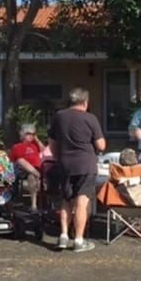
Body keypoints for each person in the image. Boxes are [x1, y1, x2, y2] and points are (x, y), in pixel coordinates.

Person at [48, 87, 106, 252]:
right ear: (85, 102)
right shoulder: (90, 118)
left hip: (65, 164)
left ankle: (63, 235)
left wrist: (59, 157)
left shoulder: (59, 117)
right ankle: (79, 240)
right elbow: (101, 145)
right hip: (85, 164)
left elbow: (52, 144)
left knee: (66, 200)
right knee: (82, 202)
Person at [10, 123, 45, 213]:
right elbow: (17, 161)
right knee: (22, 161)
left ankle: (34, 205)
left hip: (36, 169)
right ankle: (34, 205)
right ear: (23, 134)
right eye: (28, 134)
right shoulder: (18, 146)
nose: (31, 136)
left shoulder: (35, 145)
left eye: (33, 134)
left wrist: (37, 139)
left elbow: (44, 151)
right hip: (22, 170)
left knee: (32, 176)